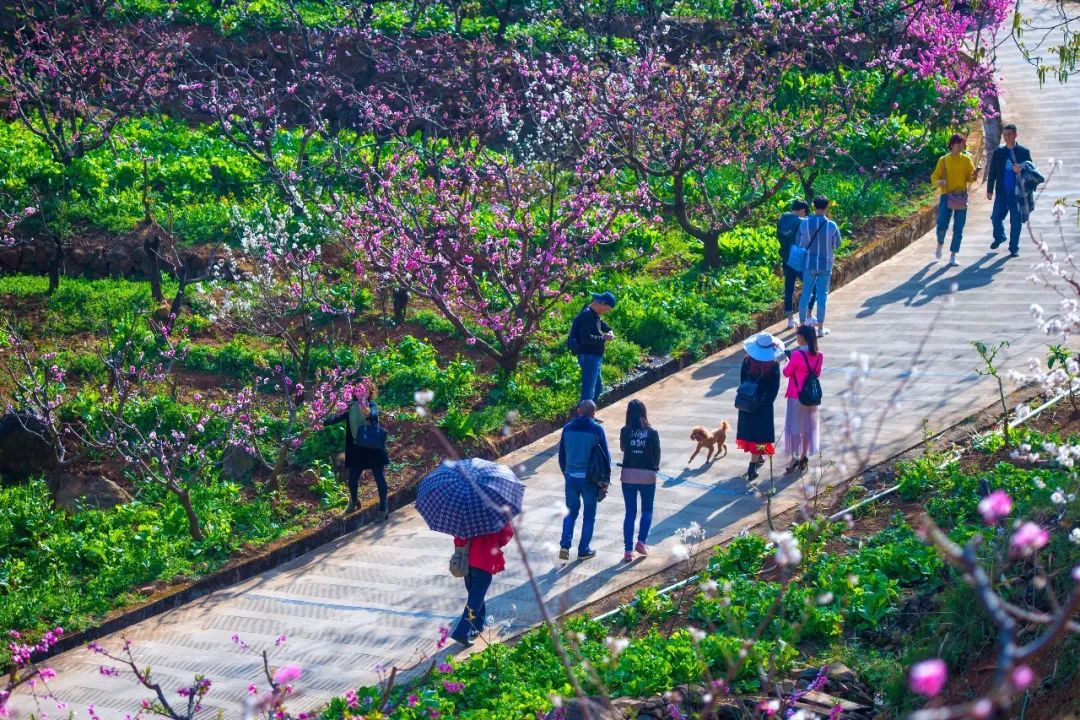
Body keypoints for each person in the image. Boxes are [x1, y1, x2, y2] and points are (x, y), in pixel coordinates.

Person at [325, 384, 390, 519]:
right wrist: (319, 420)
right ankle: (354, 502)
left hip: (373, 447)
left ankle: (383, 508)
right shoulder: (350, 407)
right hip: (357, 448)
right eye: (359, 390)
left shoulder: (372, 405)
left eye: (365, 390)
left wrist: (368, 413)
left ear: (369, 392)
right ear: (354, 392)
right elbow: (334, 418)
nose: (362, 393)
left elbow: (374, 415)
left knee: (379, 478)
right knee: (352, 479)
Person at [557, 399, 609, 561]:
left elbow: (562, 456)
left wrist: (566, 473)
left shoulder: (567, 428)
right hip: (589, 479)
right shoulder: (597, 429)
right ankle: (583, 550)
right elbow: (605, 457)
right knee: (589, 515)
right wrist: (605, 482)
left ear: (579, 411)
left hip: (571, 477)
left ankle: (565, 545)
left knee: (570, 512)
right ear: (594, 413)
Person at [450, 521, 513, 647]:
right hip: (485, 560)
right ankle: (462, 632)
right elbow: (506, 535)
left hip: (467, 560)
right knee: (476, 597)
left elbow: (458, 538)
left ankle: (478, 624)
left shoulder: (467, 512)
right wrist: (494, 542)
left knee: (475, 594)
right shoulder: (497, 511)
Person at [736, 332, 783, 482]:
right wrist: (766, 403)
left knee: (750, 433)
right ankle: (752, 466)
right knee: (760, 435)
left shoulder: (746, 361)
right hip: (763, 405)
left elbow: (743, 380)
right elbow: (774, 389)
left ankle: (758, 458)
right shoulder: (773, 365)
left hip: (747, 401)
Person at [619, 399, 660, 564]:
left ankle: (628, 551)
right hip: (648, 475)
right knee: (647, 510)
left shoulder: (625, 430)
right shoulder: (652, 432)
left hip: (628, 474)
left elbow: (623, 448)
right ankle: (641, 542)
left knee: (630, 513)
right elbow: (657, 454)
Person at [931, 133, 979, 267]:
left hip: (961, 196)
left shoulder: (966, 160)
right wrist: (938, 182)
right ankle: (940, 243)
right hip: (946, 195)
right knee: (941, 225)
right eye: (959, 144)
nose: (961, 147)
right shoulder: (943, 160)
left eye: (963, 144)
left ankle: (953, 255)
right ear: (952, 145)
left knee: (958, 228)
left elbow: (970, 177)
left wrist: (974, 175)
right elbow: (935, 177)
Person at [796, 196, 841, 337]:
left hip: (808, 264)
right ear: (827, 207)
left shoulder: (804, 224)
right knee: (822, 296)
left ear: (813, 206)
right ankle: (820, 328)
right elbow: (837, 245)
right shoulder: (832, 226)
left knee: (805, 294)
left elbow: (800, 244)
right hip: (825, 265)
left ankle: (802, 327)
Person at [986, 123, 1033, 258]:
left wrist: (1022, 168)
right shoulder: (999, 152)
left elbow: (1032, 169)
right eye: (1005, 135)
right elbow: (993, 172)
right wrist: (989, 189)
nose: (1007, 137)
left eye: (1010, 134)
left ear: (1015, 135)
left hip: (1017, 193)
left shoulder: (1023, 152)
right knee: (995, 217)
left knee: (1016, 221)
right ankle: (1000, 236)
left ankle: (1014, 248)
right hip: (1001, 192)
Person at [781, 324, 822, 474]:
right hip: (811, 397)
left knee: (794, 429)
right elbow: (816, 374)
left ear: (801, 337)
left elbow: (786, 372)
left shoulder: (797, 355)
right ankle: (804, 456)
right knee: (807, 428)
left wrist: (787, 360)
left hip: (796, 396)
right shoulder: (819, 355)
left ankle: (794, 459)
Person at [569, 291, 616, 404]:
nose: (607, 311)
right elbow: (586, 338)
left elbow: (602, 325)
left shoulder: (594, 315)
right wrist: (604, 338)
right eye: (608, 308)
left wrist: (610, 331)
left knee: (598, 387)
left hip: (594, 357)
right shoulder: (587, 315)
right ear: (602, 304)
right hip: (589, 356)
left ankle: (589, 414)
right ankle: (585, 417)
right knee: (588, 391)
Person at [777, 199, 811, 328]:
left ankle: (790, 319)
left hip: (786, 258)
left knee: (789, 288)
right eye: (805, 212)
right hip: (798, 259)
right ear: (802, 210)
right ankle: (808, 315)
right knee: (809, 286)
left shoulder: (782, 219)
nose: (805, 215)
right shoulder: (801, 222)